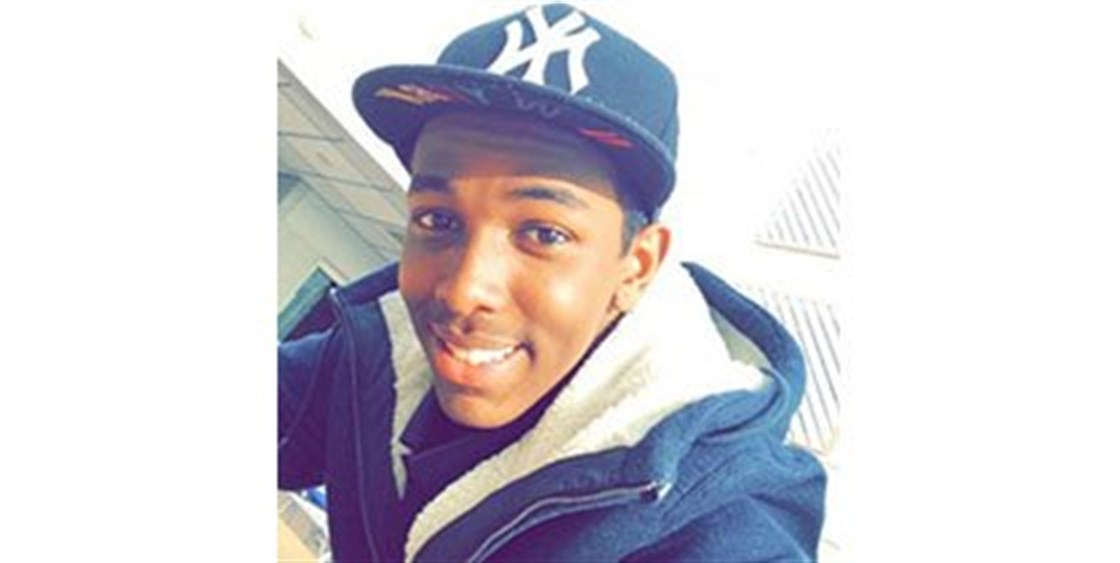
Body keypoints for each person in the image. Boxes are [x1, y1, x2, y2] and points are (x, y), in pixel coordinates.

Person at [278, 3, 826, 561]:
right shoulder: (379, 357)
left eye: (544, 234)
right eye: (437, 220)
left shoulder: (713, 518)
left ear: (636, 267)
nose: (464, 292)